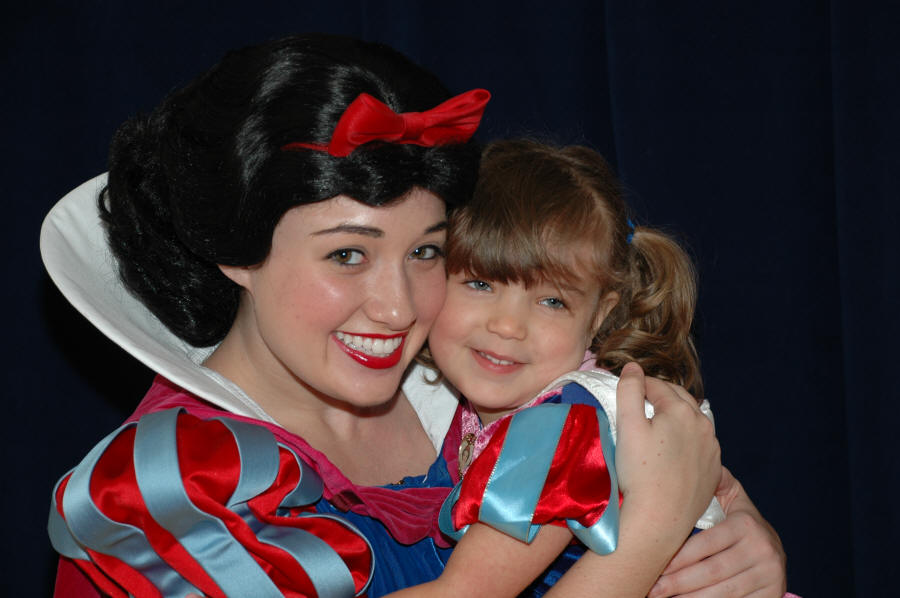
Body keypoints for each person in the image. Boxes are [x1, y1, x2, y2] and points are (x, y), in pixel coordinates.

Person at [41, 34, 783, 597]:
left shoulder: (472, 388)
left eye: (426, 252)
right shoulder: (170, 485)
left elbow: (692, 494)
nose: (399, 308)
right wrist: (645, 539)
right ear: (235, 251)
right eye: (347, 255)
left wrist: (743, 551)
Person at [389, 139, 793, 597]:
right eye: (481, 283)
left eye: (551, 301)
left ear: (599, 317)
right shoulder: (458, 405)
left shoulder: (565, 429)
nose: (507, 325)